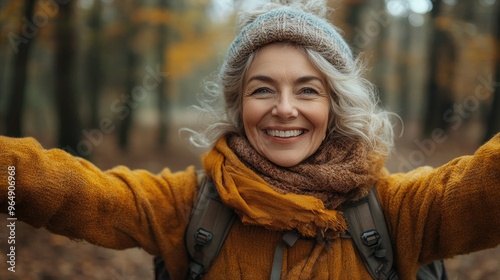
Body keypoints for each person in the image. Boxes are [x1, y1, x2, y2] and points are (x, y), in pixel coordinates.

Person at [1, 0, 499, 279]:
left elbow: (482, 189)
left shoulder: (396, 212)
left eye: (307, 89)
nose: (284, 107)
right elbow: (76, 192)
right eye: (263, 89)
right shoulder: (189, 207)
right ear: (239, 105)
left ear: (335, 104)